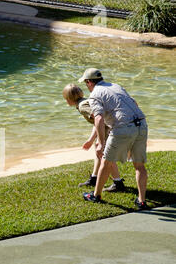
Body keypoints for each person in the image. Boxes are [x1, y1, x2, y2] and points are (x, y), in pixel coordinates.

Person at [78, 68, 149, 210]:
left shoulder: (95, 95)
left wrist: (100, 143)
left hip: (123, 127)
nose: (87, 86)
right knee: (139, 165)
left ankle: (95, 196)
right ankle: (141, 201)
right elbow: (134, 104)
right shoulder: (116, 86)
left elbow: (98, 118)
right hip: (141, 123)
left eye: (86, 83)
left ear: (89, 82)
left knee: (106, 161)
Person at [62, 83, 125, 192]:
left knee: (106, 156)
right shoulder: (86, 101)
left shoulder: (83, 107)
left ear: (69, 99)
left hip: (110, 127)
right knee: (99, 153)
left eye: (65, 98)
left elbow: (98, 118)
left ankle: (118, 183)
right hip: (108, 126)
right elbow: (97, 121)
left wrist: (100, 140)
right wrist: (91, 140)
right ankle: (94, 178)